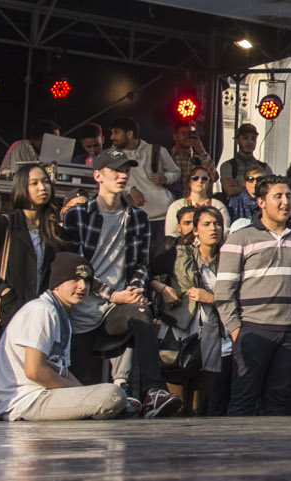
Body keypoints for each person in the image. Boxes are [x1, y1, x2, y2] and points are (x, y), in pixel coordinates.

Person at [59, 148, 177, 416]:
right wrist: (112, 294)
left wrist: (134, 290)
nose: (122, 175)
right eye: (115, 170)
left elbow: (141, 264)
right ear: (98, 175)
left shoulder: (137, 217)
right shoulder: (77, 215)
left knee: (141, 313)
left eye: (126, 170)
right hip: (81, 309)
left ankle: (152, 392)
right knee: (82, 396)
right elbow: (76, 268)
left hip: (116, 307)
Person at [217, 173, 291, 416]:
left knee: (279, 401)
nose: (285, 202)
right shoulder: (240, 238)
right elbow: (224, 291)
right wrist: (236, 330)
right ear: (261, 202)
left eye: (288, 196)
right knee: (243, 400)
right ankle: (239, 453)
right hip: (254, 330)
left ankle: (272, 454)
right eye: (278, 196)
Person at [0, 253, 129, 421]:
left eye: (87, 281)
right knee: (112, 395)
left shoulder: (61, 315)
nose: (83, 286)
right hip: (26, 400)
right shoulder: (42, 310)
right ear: (57, 283)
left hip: (43, 395)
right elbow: (35, 371)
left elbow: (62, 371)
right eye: (75, 279)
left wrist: (83, 393)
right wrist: (78, 393)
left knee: (108, 396)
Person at [0, 163, 71, 336]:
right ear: (21, 187)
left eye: (45, 182)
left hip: (43, 318)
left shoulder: (56, 232)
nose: (42, 187)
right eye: (34, 183)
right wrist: (3, 291)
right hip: (5, 317)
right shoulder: (3, 224)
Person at [164, 204, 228, 416]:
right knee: (177, 405)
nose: (213, 229)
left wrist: (211, 298)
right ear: (195, 230)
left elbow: (237, 296)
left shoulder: (227, 259)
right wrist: (162, 288)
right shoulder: (180, 253)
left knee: (197, 408)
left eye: (217, 224)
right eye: (207, 224)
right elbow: (147, 273)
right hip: (181, 331)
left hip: (211, 335)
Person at [218, 123, 267, 196]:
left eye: (253, 139)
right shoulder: (228, 166)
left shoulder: (265, 167)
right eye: (245, 138)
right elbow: (229, 191)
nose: (250, 142)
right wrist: (256, 187)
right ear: (237, 141)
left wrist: (240, 185)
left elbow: (269, 190)